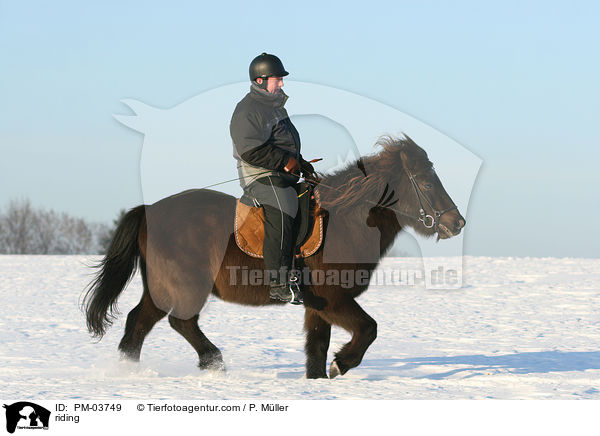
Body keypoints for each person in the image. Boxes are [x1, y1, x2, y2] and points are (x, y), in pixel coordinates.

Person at [230, 52, 316, 303]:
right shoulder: (248, 109)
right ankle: (279, 284)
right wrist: (283, 161)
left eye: (281, 79)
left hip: (281, 173)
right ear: (260, 81)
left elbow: (283, 144)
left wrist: (300, 162)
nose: (281, 83)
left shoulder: (276, 109)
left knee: (310, 197)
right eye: (277, 79)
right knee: (284, 206)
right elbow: (250, 149)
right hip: (259, 174)